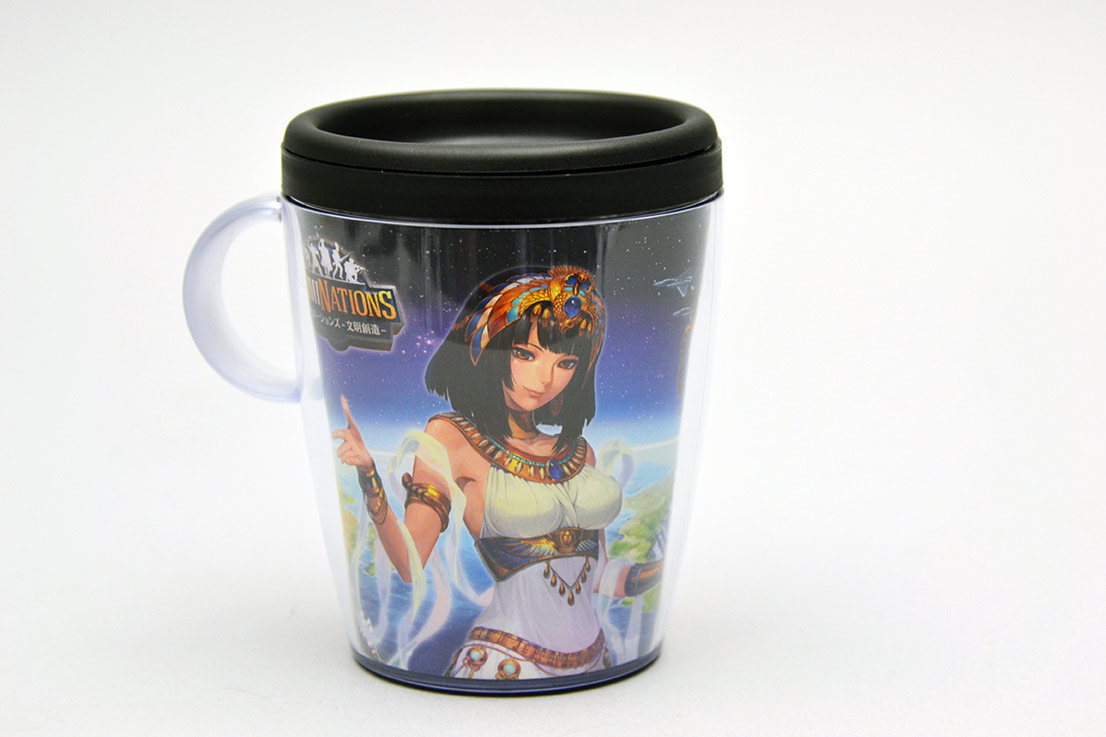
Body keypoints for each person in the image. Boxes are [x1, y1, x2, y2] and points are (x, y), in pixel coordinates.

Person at [333, 266, 660, 680]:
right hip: (505, 661)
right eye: (526, 354)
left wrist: (659, 571)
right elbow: (409, 563)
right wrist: (369, 477)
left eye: (565, 362)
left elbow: (600, 575)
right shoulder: (451, 438)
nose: (545, 379)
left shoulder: (580, 453)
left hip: (598, 662)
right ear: (489, 351)